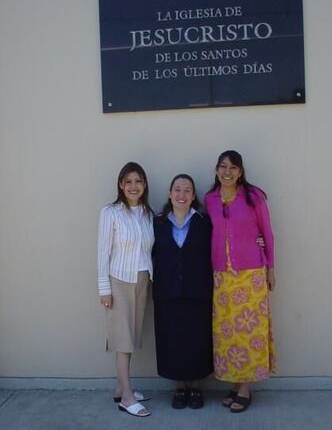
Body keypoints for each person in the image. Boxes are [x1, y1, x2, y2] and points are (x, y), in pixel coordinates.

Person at [204, 150, 276, 413]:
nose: (228, 172)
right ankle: (236, 383)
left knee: (248, 331)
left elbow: (267, 232)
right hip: (222, 275)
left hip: (251, 274)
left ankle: (245, 388)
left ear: (241, 171)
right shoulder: (209, 199)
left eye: (233, 167)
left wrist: (270, 266)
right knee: (227, 332)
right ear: (216, 170)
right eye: (223, 166)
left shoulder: (254, 197)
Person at [97, 162, 154, 417]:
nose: (134, 186)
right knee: (122, 339)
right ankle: (127, 398)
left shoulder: (147, 214)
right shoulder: (110, 213)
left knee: (131, 336)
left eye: (138, 181)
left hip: (142, 280)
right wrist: (104, 289)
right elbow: (102, 253)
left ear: (144, 185)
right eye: (128, 181)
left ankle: (121, 387)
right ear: (121, 184)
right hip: (119, 281)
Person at [153, 174, 213, 409]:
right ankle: (179, 387)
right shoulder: (158, 223)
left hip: (197, 290)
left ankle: (196, 387)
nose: (181, 195)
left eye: (187, 190)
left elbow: (221, 245)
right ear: (170, 194)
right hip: (167, 291)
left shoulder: (204, 223)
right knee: (173, 340)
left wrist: (257, 241)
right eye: (177, 189)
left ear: (193, 196)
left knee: (197, 339)